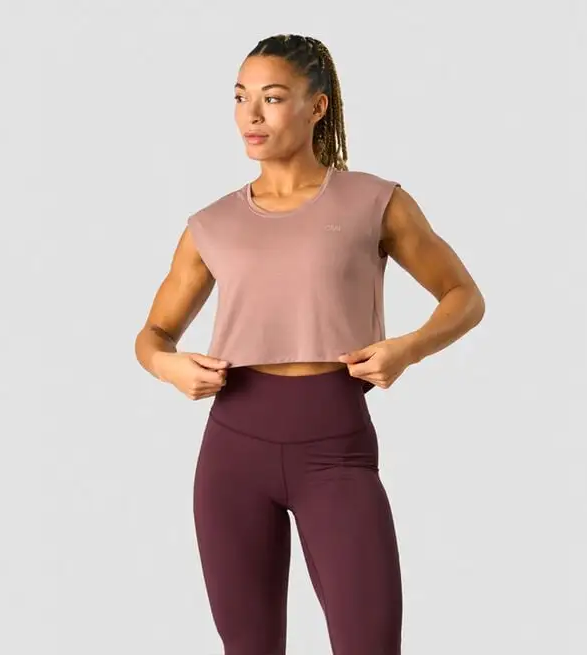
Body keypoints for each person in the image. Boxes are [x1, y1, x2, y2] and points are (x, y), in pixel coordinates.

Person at [135, 33, 485, 655]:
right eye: (240, 97)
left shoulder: (374, 201)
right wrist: (168, 366)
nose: (251, 114)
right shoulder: (211, 224)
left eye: (272, 98)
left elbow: (464, 296)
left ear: (317, 106)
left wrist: (407, 348)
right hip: (232, 454)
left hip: (335, 451)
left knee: (370, 642)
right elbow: (152, 335)